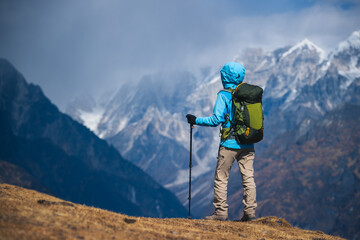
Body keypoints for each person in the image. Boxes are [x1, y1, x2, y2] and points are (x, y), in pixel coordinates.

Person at [186, 62, 257, 221]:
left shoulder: (224, 95)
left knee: (221, 177)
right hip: (248, 142)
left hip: (229, 144)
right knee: (248, 178)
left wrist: (195, 120)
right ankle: (250, 213)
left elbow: (215, 120)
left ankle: (220, 213)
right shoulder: (251, 94)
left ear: (225, 77)